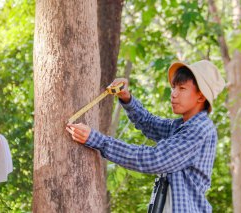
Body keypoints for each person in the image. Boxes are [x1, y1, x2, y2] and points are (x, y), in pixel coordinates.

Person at [66, 60, 225, 212]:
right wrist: (126, 97)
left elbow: (154, 159)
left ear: (201, 96)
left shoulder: (199, 129)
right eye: (173, 87)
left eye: (182, 89)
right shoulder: (180, 126)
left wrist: (97, 140)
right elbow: (149, 123)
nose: (173, 94)